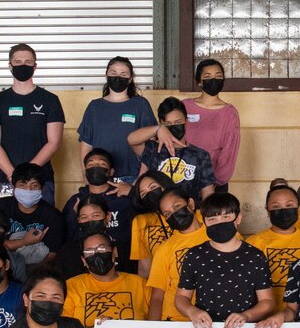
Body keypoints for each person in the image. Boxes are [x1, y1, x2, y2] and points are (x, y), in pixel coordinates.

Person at [175, 193, 275, 328]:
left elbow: (267, 301)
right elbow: (181, 298)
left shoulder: (255, 256)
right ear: (204, 222)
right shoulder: (194, 255)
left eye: (226, 217)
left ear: (238, 218)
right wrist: (192, 311)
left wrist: (247, 315)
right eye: (212, 219)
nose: (219, 223)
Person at [0, 43, 64, 198]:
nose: (23, 65)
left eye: (28, 62)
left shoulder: (50, 100)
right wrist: (12, 174)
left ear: (35, 66)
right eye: (18, 62)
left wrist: (28, 174)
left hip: (41, 179)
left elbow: (54, 142)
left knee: (42, 221)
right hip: (6, 179)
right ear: (10, 66)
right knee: (5, 222)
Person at [78, 55, 157, 184]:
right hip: (100, 177)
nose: (118, 77)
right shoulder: (94, 106)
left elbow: (150, 145)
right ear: (106, 75)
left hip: (132, 177)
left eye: (123, 74)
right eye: (113, 73)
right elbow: (86, 145)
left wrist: (141, 178)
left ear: (130, 79)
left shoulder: (140, 104)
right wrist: (87, 178)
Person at [0, 163, 66, 280]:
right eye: (22, 185)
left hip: (36, 269)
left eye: (34, 185)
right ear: (13, 187)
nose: (28, 190)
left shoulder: (54, 216)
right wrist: (24, 241)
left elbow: (52, 254)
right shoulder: (0, 207)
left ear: (42, 188)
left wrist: (33, 273)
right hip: (1, 264)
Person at [64, 231, 150, 328]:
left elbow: (154, 326)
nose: (96, 254)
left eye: (102, 249)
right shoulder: (71, 286)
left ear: (114, 252)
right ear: (84, 260)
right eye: (89, 251)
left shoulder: (140, 284)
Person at [143, 188, 209, 318]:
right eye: (167, 214)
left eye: (177, 206)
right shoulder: (165, 249)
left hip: (214, 321)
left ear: (190, 204)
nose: (173, 214)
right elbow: (157, 298)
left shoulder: (218, 235)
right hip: (175, 322)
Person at [138, 97, 217, 201]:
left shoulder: (201, 156)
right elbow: (131, 139)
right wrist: (157, 130)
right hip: (156, 213)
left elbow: (208, 195)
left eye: (178, 122)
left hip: (188, 213)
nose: (174, 126)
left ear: (186, 121)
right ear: (161, 124)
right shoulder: (153, 149)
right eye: (168, 124)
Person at [66, 148, 136, 263]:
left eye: (101, 164)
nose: (95, 167)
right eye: (91, 164)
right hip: (87, 260)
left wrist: (133, 193)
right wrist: (74, 216)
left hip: (123, 258)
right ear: (86, 171)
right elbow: (67, 236)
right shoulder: (76, 201)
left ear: (111, 171)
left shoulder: (124, 197)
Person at [249, 182, 300, 308]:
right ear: (267, 211)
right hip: (267, 320)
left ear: (299, 209)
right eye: (276, 206)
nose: (283, 210)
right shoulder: (253, 243)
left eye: (289, 205)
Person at [183, 58, 241, 190]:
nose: (214, 80)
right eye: (207, 76)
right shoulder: (184, 106)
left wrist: (217, 181)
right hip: (183, 178)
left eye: (218, 76)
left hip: (213, 182)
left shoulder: (229, 112)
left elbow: (229, 151)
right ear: (199, 81)